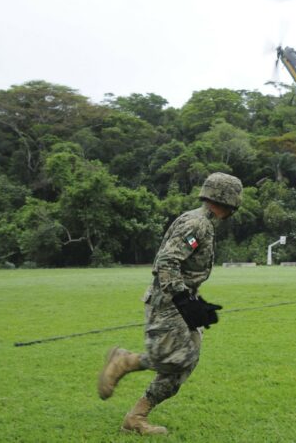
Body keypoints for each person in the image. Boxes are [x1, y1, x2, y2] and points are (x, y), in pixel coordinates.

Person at [97, 172, 243, 435]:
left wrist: (196, 302)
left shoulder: (202, 223)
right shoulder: (197, 224)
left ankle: (135, 416)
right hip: (168, 302)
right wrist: (182, 300)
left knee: (187, 360)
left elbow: (182, 267)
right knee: (176, 358)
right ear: (229, 200)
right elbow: (166, 262)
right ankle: (125, 363)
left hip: (181, 299)